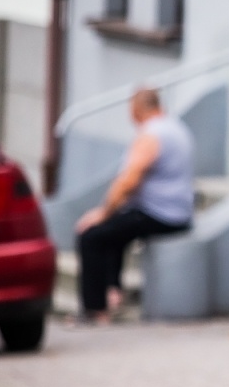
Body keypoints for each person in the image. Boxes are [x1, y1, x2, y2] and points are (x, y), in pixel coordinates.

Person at [75, 88, 194, 321]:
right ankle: (113, 292)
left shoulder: (151, 134)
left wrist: (103, 212)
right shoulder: (177, 128)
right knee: (117, 230)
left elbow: (129, 181)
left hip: (159, 214)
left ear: (137, 111)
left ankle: (95, 310)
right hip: (178, 212)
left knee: (91, 235)